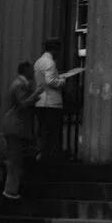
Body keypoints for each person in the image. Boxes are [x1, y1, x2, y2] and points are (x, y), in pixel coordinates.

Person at [0, 61, 41, 200]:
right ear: (26, 71)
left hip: (18, 127)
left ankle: (13, 188)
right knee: (15, 159)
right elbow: (23, 104)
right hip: (15, 127)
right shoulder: (19, 85)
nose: (34, 73)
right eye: (32, 71)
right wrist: (37, 93)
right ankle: (10, 190)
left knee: (19, 157)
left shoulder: (23, 84)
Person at [33, 37, 65, 166]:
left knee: (43, 131)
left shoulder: (38, 62)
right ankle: (47, 158)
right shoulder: (50, 63)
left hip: (40, 101)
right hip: (51, 102)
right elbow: (50, 80)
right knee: (51, 133)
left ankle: (41, 155)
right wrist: (62, 81)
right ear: (54, 50)